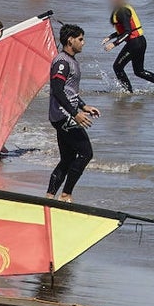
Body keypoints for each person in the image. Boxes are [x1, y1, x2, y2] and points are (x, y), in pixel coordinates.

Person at [46, 24, 99, 203]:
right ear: (70, 40)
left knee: (67, 159)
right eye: (80, 39)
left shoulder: (71, 60)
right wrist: (74, 113)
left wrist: (83, 107)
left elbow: (70, 91)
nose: (83, 43)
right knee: (86, 153)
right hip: (64, 115)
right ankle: (66, 194)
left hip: (65, 114)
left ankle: (49, 197)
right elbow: (58, 90)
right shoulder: (62, 62)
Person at [104, 0, 154, 93]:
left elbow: (127, 32)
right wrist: (110, 37)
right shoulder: (122, 9)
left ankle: (128, 91)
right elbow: (126, 29)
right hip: (140, 41)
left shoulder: (122, 11)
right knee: (139, 71)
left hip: (134, 43)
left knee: (117, 66)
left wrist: (114, 44)